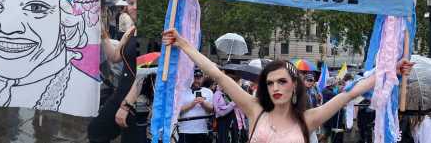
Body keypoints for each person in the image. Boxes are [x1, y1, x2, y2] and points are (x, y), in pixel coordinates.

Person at [162, 28, 413, 143]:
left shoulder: (310, 118)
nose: (275, 87)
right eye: (270, 83)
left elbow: (351, 93)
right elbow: (217, 74)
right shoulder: (254, 109)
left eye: (282, 81)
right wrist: (183, 44)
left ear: (294, 85)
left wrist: (393, 72)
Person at [88, 0, 141, 143]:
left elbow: (144, 75)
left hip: (135, 98)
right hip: (121, 93)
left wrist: (126, 106)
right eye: (130, 3)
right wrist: (103, 34)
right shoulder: (131, 31)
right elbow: (115, 57)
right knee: (96, 131)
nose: (134, 7)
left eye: (138, 3)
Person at [177, 70, 214, 143]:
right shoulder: (182, 91)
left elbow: (211, 109)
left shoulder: (208, 92)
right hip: (185, 130)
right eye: (195, 78)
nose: (197, 81)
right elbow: (177, 110)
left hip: (202, 130)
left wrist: (203, 103)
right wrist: (192, 104)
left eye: (199, 78)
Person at [214, 72, 247, 143]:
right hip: (225, 126)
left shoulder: (238, 93)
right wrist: (234, 102)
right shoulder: (218, 94)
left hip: (238, 126)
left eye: (235, 81)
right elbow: (220, 112)